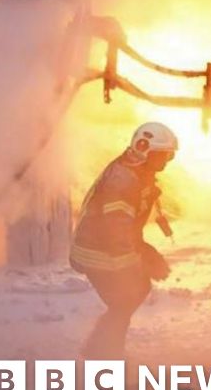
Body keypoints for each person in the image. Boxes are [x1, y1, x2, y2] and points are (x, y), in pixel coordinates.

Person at [71, 122, 177, 358]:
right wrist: (135, 263)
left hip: (105, 248)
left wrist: (144, 251)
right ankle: (103, 353)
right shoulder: (123, 180)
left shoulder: (136, 171)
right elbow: (116, 228)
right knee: (126, 299)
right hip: (97, 252)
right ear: (146, 150)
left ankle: (102, 349)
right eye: (164, 155)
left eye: (169, 156)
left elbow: (127, 227)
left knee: (131, 295)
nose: (167, 162)